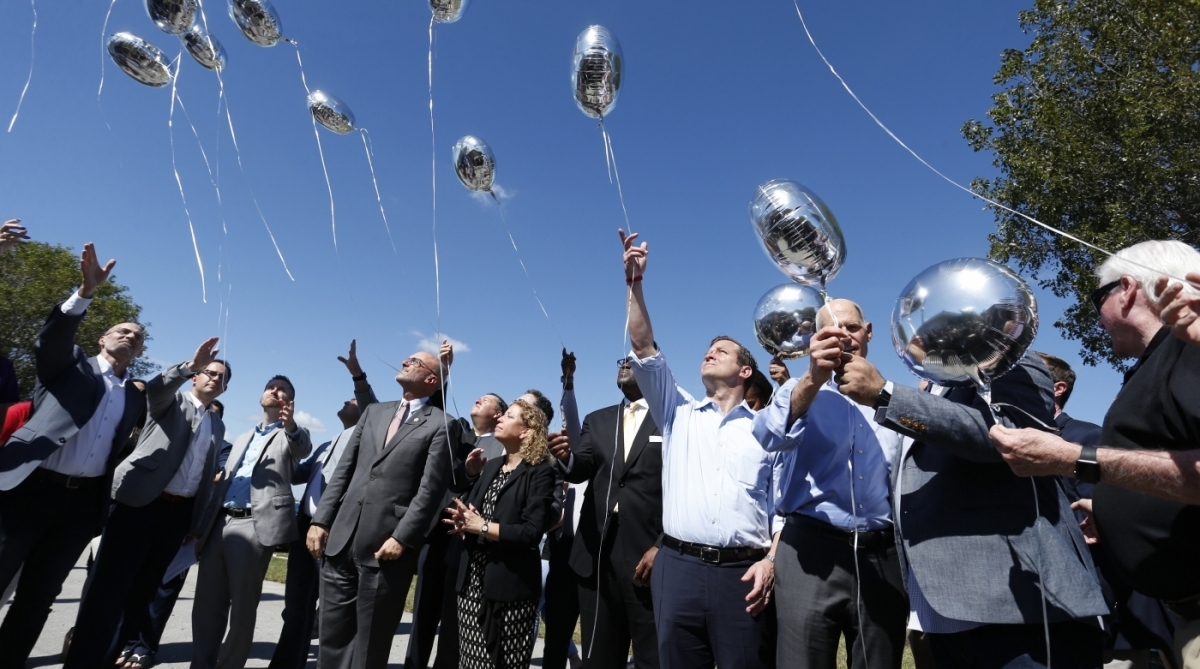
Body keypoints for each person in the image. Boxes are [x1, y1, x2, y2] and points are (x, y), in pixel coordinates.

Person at [831, 312, 1109, 665]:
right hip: (948, 613)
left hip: (1019, 609)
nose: (923, 333)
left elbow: (1008, 438)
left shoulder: (1012, 362)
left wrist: (886, 395)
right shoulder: (932, 390)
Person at [991, 241, 1200, 669]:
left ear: (1126, 289)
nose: (1096, 318)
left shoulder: (1189, 350)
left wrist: (1073, 458)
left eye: (1095, 298)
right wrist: (1108, 508)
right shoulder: (1157, 362)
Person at [620, 230, 784, 669]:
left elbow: (782, 508)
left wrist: (770, 562)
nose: (709, 353)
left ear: (744, 370)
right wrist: (635, 285)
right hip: (678, 569)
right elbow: (643, 348)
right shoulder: (679, 413)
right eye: (708, 349)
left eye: (722, 351)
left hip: (742, 575)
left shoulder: (766, 430)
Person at [0, 243, 148, 668]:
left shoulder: (134, 396)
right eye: (123, 330)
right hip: (28, 492)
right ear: (102, 338)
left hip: (80, 506)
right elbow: (50, 340)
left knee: (37, 599)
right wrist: (85, 292)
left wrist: (188, 369)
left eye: (138, 337)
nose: (132, 336)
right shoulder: (70, 367)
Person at [754, 299, 908, 669]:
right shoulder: (798, 389)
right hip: (811, 550)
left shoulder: (895, 399)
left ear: (867, 332)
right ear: (812, 340)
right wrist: (812, 378)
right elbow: (768, 435)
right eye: (830, 332)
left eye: (851, 328)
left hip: (880, 555)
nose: (842, 338)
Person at [66, 339, 230, 669]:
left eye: (221, 377)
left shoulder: (218, 425)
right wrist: (188, 365)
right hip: (138, 505)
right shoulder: (170, 403)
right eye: (209, 373)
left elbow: (203, 477)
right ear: (196, 377)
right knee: (107, 592)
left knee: (139, 597)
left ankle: (110, 658)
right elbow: (156, 388)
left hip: (176, 517)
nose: (214, 379)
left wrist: (194, 525)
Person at [307, 350, 452, 669]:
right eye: (407, 358)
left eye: (415, 361)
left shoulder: (442, 425)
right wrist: (321, 520)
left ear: (431, 379)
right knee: (331, 640)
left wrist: (402, 537)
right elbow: (344, 471)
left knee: (370, 644)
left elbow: (430, 491)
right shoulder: (372, 412)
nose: (404, 362)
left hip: (386, 548)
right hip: (341, 541)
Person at [190, 375, 312, 669]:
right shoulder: (243, 437)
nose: (274, 390)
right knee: (206, 607)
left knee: (242, 609)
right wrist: (202, 528)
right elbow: (221, 486)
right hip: (220, 523)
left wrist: (291, 425)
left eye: (282, 389)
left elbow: (302, 448)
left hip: (254, 526)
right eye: (271, 386)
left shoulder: (290, 434)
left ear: (290, 402)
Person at [552, 353, 663, 669]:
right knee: (599, 658)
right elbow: (580, 468)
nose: (625, 363)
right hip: (596, 555)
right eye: (622, 359)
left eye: (636, 358)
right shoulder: (597, 419)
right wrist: (564, 458)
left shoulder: (672, 419)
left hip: (649, 557)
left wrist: (663, 545)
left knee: (652, 658)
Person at [445, 399, 558, 669]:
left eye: (508, 416)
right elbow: (475, 514)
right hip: (472, 582)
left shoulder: (540, 471)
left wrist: (480, 526)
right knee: (471, 662)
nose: (500, 419)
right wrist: (465, 523)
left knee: (505, 663)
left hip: (510, 587)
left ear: (527, 431)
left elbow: (531, 532)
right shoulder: (491, 466)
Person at [269, 394, 362, 669]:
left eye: (354, 399)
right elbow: (298, 474)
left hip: (333, 530)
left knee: (333, 612)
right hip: (304, 528)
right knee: (297, 608)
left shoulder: (366, 442)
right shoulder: (326, 444)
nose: (346, 399)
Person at [435, 390, 509, 669]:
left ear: (498, 414)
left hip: (470, 543)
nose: (478, 398)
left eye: (486, 399)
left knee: (461, 625)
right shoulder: (459, 436)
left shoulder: (501, 449)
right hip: (438, 537)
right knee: (433, 617)